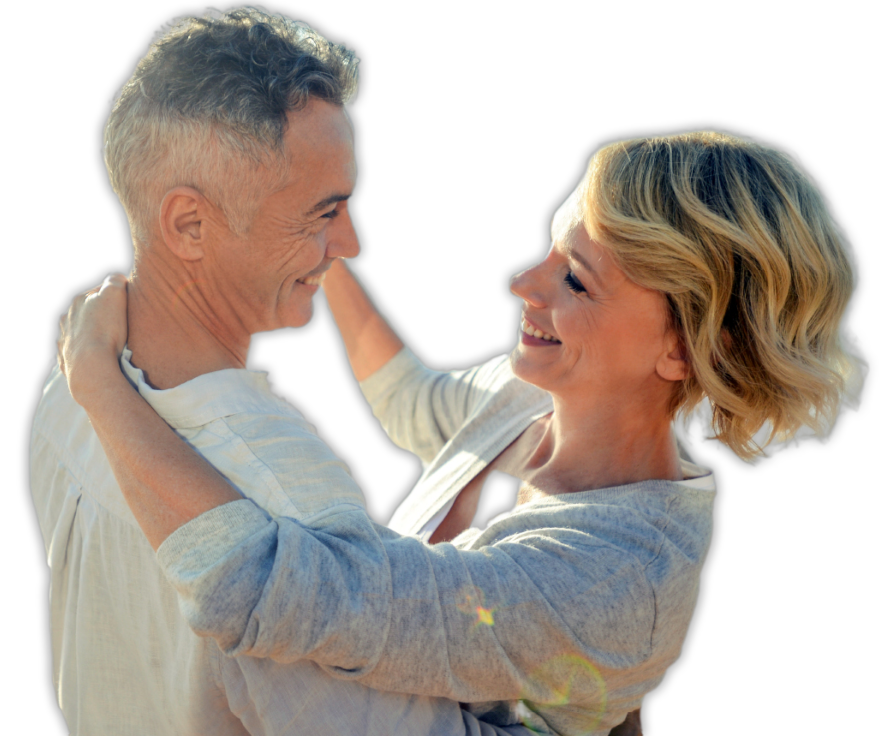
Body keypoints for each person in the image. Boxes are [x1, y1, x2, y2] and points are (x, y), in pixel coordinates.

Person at [54, 129, 864, 735]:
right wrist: (323, 250)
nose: (523, 283)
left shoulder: (616, 581)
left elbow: (261, 589)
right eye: (551, 250)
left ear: (684, 349)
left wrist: (97, 382)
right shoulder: (532, 396)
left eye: (575, 280)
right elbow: (411, 399)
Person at [30, 7, 549, 735]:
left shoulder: (70, 389)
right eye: (322, 212)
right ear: (188, 224)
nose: (350, 241)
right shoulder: (284, 498)